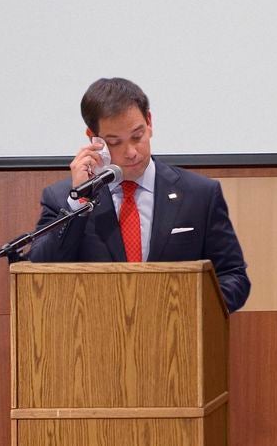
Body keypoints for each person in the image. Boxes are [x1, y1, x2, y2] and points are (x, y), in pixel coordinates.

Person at [29, 77, 250, 312]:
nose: (131, 152)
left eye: (137, 136)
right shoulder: (64, 198)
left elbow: (233, 276)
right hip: (94, 340)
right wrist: (80, 200)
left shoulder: (200, 194)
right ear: (93, 139)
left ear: (149, 121)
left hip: (177, 338)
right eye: (115, 142)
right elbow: (39, 273)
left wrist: (187, 310)